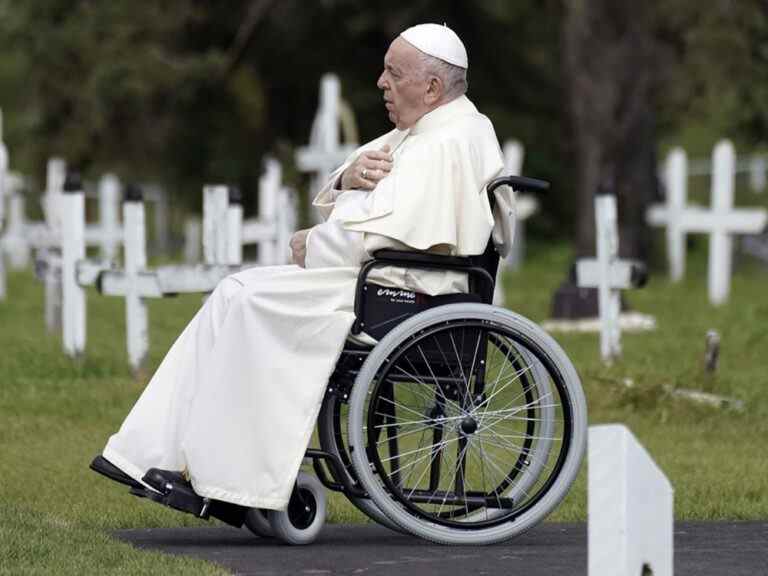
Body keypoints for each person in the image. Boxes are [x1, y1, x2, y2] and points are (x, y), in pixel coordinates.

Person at [91, 23, 510, 521]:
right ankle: (147, 455)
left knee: (248, 299)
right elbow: (366, 196)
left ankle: (230, 483)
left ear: (432, 87)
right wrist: (348, 179)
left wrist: (309, 243)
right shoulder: (428, 129)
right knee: (234, 292)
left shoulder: (446, 141)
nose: (381, 82)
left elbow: (376, 239)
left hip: (403, 290)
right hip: (382, 281)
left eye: (393, 73)